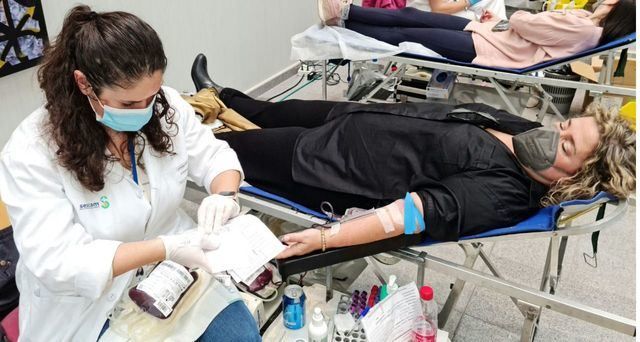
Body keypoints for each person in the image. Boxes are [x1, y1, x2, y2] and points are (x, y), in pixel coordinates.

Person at [189, 56, 635, 259]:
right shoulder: (526, 135)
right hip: (358, 118)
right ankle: (220, 93)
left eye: (568, 145)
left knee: (231, 150)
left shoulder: (506, 192)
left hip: (331, 166)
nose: (555, 133)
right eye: (565, 126)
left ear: (579, 178)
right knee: (268, 110)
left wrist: (324, 240)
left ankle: (174, 133)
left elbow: (408, 216)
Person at [0, 6, 260, 342]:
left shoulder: (164, 105)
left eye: (150, 96)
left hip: (173, 271)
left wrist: (224, 196)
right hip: (89, 303)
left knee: (241, 337)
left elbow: (215, 157)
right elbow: (59, 262)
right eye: (127, 104)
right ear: (84, 83)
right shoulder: (32, 149)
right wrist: (167, 247)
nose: (144, 111)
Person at [317, 0, 635, 68]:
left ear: (618, 13)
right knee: (411, 17)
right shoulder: (586, 23)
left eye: (611, 1)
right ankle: (344, 13)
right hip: (491, 34)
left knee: (407, 32)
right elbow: (530, 28)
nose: (605, 0)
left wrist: (515, 20)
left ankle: (343, 25)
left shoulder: (584, 28)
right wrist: (504, 21)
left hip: (489, 48)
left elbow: (525, 22)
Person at [405, 0, 507, 21]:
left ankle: (500, 29)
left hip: (438, 9)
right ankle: (500, 36)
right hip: (424, 14)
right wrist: (469, 2)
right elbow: (438, 9)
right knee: (473, 17)